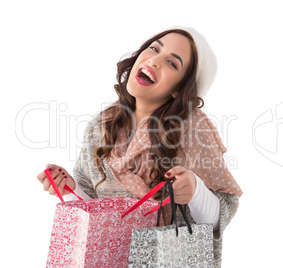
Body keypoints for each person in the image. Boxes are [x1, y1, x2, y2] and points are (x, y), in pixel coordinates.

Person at [37, 26, 243, 267]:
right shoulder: (100, 126)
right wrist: (70, 189)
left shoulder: (193, 129)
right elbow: (94, 218)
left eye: (172, 63)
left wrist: (196, 192)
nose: (154, 60)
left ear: (179, 89)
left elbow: (223, 213)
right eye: (154, 48)